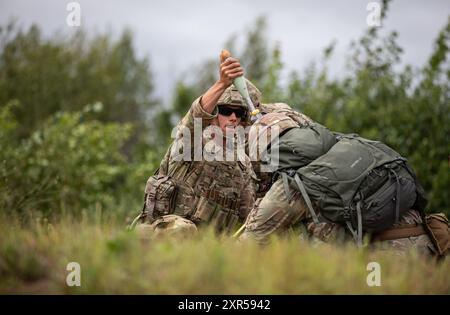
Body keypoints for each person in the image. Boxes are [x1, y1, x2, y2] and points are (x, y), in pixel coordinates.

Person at [239, 103, 448, 258]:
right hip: (431, 243)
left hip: (386, 263)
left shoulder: (293, 186)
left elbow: (248, 246)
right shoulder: (347, 146)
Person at [132, 56, 261, 238]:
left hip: (207, 249)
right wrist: (222, 83)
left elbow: (249, 218)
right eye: (225, 111)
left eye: (238, 112)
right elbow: (196, 116)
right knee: (184, 230)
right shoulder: (193, 142)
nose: (233, 117)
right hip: (163, 236)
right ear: (215, 114)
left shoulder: (242, 163)